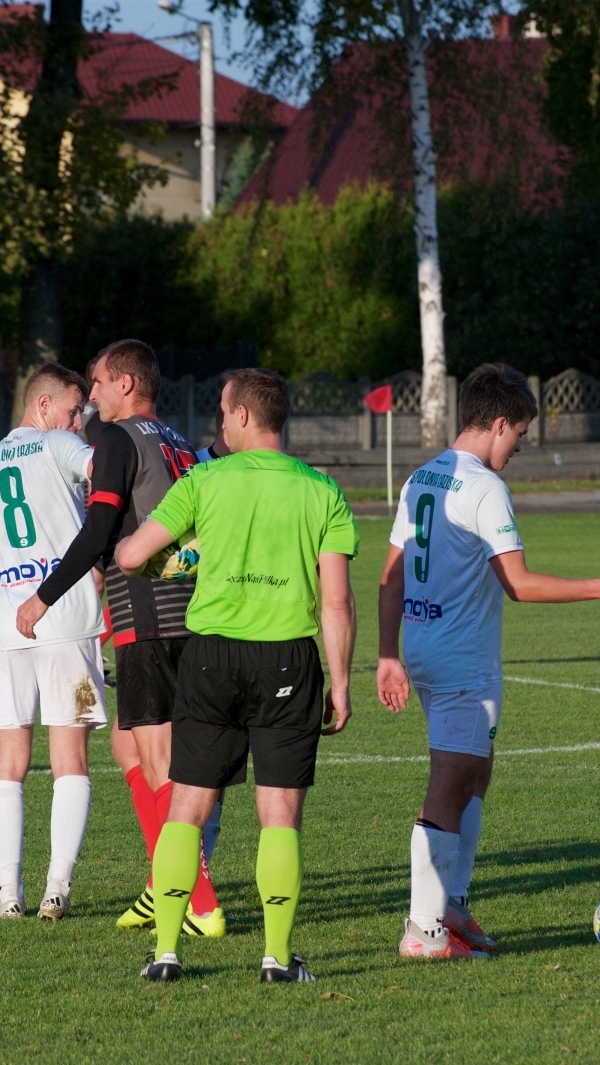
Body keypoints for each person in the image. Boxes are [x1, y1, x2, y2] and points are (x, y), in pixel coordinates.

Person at [376, 363, 600, 960]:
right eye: (519, 436)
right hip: (462, 658)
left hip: (426, 646)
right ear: (500, 422)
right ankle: (424, 930)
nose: (518, 449)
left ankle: (451, 904)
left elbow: (391, 574)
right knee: (450, 780)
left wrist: (387, 653)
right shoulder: (484, 487)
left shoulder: (421, 476)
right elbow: (519, 583)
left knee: (475, 772)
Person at [115, 367, 357, 984]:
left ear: (245, 417)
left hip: (211, 657)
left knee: (187, 807)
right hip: (288, 660)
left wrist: (186, 558)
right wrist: (342, 683)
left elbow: (130, 556)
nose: (218, 423)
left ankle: (166, 954)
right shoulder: (322, 490)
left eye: (223, 412)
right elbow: (336, 603)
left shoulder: (205, 480)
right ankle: (277, 958)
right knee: (280, 815)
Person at [15, 341, 226, 937]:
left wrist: (43, 595)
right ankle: (167, 885)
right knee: (128, 747)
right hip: (194, 612)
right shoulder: (177, 440)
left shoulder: (117, 438)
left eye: (100, 382)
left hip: (149, 618)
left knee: (159, 763)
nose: (93, 396)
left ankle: (198, 902)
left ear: (128, 383)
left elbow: (100, 526)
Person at [0, 363, 106, 921]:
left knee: (7, 762)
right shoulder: (58, 445)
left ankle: (9, 894)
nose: (80, 420)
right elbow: (106, 471)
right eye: (75, 409)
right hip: (70, 626)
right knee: (71, 758)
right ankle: (58, 887)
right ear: (43, 407)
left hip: (5, 631)